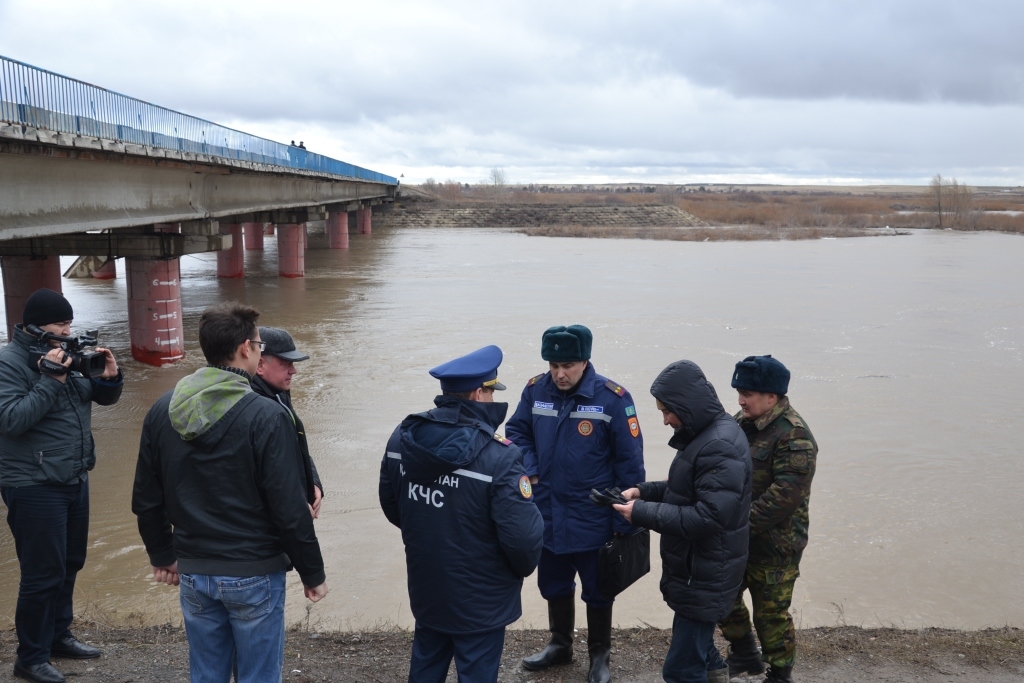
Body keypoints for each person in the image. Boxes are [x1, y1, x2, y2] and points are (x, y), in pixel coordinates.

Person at [132, 302, 328, 683]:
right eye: (257, 344)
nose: (258, 350)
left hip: (193, 571)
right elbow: (289, 509)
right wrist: (312, 572)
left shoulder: (162, 410)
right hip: (253, 570)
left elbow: (146, 497)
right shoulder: (266, 416)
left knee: (207, 675)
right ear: (245, 349)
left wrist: (163, 555)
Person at [379, 345, 543, 683]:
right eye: (490, 390)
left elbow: (393, 507)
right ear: (478, 393)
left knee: (426, 664)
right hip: (480, 598)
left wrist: (432, 527)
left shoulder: (403, 438)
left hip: (428, 586)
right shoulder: (500, 457)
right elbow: (523, 541)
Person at [505, 325, 645, 683]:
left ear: (585, 360)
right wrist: (532, 473)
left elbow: (629, 466)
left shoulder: (613, 398)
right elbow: (517, 431)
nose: (559, 373)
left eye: (567, 365)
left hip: (593, 516)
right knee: (553, 584)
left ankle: (600, 655)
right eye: (553, 365)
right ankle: (560, 645)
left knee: (598, 590)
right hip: (547, 511)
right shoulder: (535, 390)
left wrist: (625, 523)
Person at [0, 288, 123, 683]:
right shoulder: (10, 362)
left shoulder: (65, 356)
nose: (68, 331)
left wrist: (110, 378)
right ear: (35, 326)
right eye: (60, 324)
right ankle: (30, 658)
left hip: (72, 475)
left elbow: (97, 398)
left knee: (70, 563)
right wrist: (51, 379)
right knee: (42, 573)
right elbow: (12, 421)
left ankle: (58, 637)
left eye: (70, 323)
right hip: (31, 482)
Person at [612, 360, 751, 683]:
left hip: (704, 573)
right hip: (701, 570)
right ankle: (716, 672)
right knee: (698, 648)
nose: (664, 421)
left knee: (680, 670)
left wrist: (641, 512)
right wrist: (642, 491)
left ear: (686, 406)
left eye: (667, 411)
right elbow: (686, 488)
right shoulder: (709, 434)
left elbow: (708, 516)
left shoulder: (718, 445)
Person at [717, 356, 817, 683]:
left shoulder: (795, 436)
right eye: (739, 392)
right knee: (719, 595)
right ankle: (745, 650)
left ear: (771, 396)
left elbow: (783, 498)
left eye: (747, 393)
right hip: (738, 536)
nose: (740, 400)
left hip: (776, 544)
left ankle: (780, 672)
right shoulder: (739, 423)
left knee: (770, 615)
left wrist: (735, 525)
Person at [251, 326, 323, 518]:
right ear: (259, 365)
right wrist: (294, 505)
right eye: (285, 363)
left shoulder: (278, 393)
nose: (294, 371)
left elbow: (295, 447)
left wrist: (313, 482)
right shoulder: (257, 409)